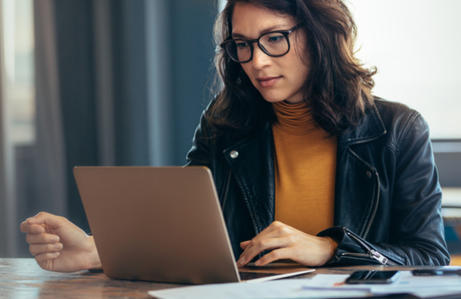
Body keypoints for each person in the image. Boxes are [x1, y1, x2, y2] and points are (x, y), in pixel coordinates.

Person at [20, 0, 450, 273]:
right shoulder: (224, 123)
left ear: (321, 36)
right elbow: (186, 234)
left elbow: (429, 257)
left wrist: (328, 248)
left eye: (274, 39)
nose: (256, 61)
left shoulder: (398, 130)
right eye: (242, 44)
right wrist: (99, 251)